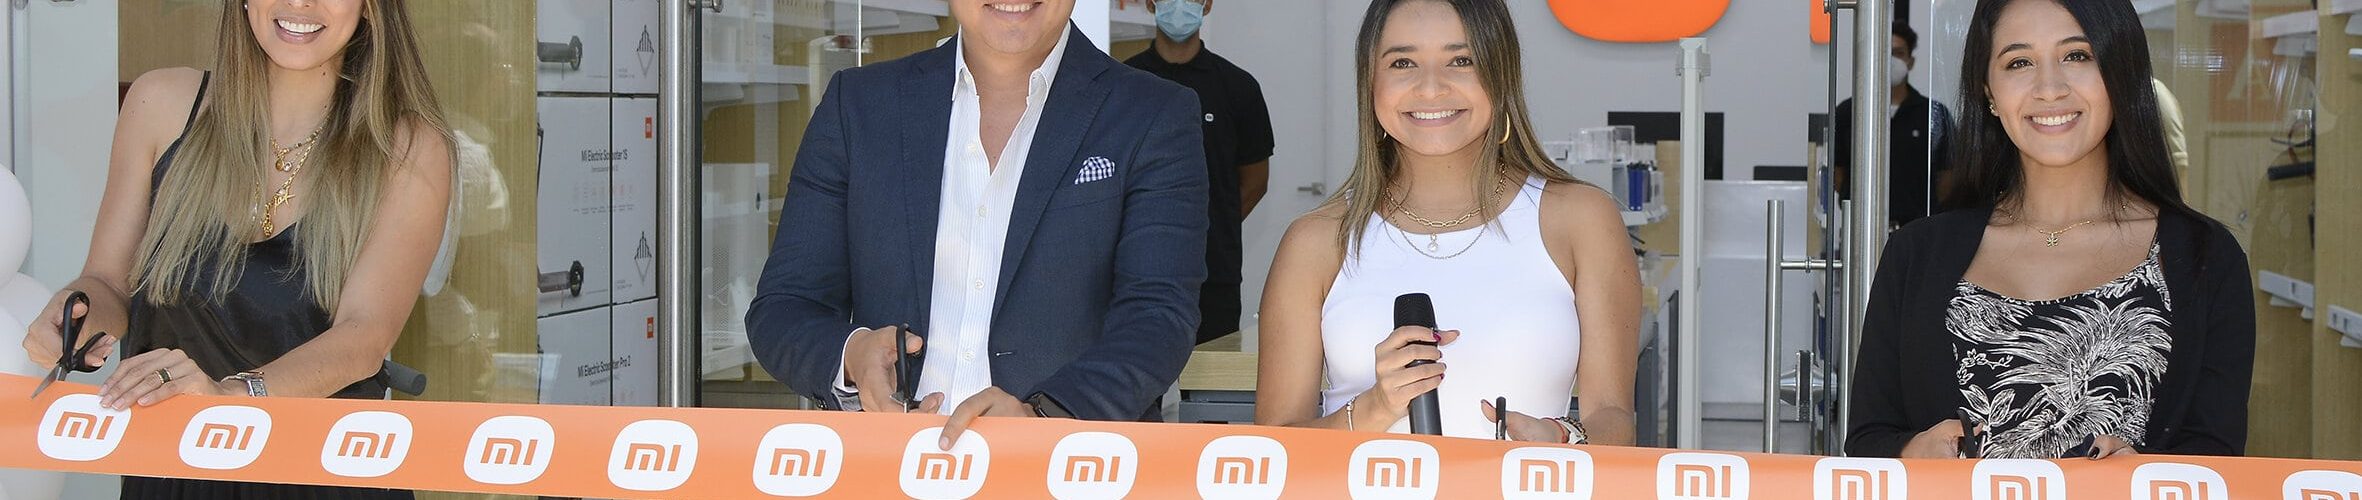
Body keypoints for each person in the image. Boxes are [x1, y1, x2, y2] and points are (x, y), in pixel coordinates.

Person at [18, 0, 455, 496]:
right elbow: (108, 282)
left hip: (323, 473)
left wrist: (231, 395)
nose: (300, 3)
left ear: (370, 8)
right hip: (173, 470)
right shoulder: (161, 104)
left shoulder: (407, 148)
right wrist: (75, 318)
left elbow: (364, 335)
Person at [744, 0, 1209, 448]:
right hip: (888, 464)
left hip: (1068, 466)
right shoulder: (859, 105)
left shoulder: (1152, 113)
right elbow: (785, 306)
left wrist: (1044, 417)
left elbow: (1159, 315)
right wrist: (852, 354)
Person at [1848, 0, 2253, 459]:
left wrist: (2142, 473)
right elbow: (1867, 441)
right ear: (1988, 91)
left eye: (2077, 55)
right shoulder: (1915, 254)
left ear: (2120, 72)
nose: (2050, 89)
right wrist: (1910, 453)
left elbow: (2217, 457)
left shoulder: (2204, 256)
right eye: (2019, 62)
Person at [1253, 0, 1638, 444]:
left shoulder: (1581, 218)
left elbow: (1613, 417)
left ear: (1501, 72)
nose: (1431, 88)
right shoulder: (1316, 240)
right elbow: (1274, 447)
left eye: (1461, 60)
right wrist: (1375, 407)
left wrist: (1561, 437)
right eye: (1403, 63)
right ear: (1370, 82)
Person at [1125, 0, 1275, 346]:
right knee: (1138, 374)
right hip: (1135, 273)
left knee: (1211, 373)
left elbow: (1255, 181)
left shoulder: (1238, 87)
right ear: (1150, 3)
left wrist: (1205, 227)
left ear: (1207, 5)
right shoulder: (1124, 82)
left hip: (1214, 273)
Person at [1834, 22, 1956, 227]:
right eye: (1884, 53)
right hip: (1861, 230)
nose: (1890, 60)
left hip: (1918, 230)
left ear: (1910, 61)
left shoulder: (1933, 113)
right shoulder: (1849, 112)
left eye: (1898, 53)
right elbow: (1838, 173)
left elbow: (1947, 177)